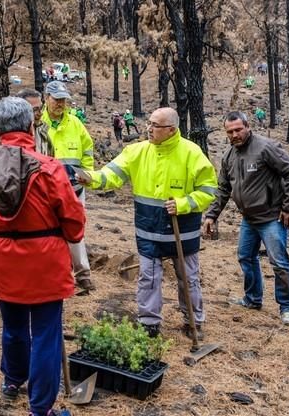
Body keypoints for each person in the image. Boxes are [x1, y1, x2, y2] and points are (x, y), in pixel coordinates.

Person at [0, 96, 85, 416]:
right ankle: (41, 411)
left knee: (13, 324)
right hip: (44, 258)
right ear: (30, 125)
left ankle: (12, 380)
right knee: (47, 334)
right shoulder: (50, 168)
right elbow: (74, 219)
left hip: (2, 255)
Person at [77, 107, 217, 339]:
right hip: (149, 229)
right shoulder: (137, 151)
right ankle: (149, 322)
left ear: (171, 130)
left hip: (183, 231)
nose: (149, 129)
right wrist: (89, 178)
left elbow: (208, 189)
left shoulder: (192, 153)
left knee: (188, 277)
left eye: (155, 126)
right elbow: (110, 174)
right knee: (148, 276)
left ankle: (194, 320)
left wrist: (184, 203)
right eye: (149, 124)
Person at [203, 111, 289, 326]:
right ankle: (252, 299)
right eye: (230, 131)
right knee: (246, 257)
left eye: (238, 129)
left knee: (279, 263)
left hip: (272, 218)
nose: (235, 134)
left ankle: (287, 307)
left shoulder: (266, 148)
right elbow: (223, 189)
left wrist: (288, 208)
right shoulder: (229, 156)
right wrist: (211, 215)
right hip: (248, 218)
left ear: (247, 127)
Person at [41, 80, 95, 291]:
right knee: (48, 233)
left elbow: (88, 151)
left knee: (76, 230)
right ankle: (53, 275)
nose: (61, 104)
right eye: (57, 99)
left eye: (64, 100)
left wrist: (87, 174)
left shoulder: (75, 124)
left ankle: (83, 274)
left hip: (74, 190)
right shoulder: (38, 123)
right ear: (46, 98)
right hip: (46, 191)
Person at [0, 88, 54, 157]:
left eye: (41, 108)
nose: (40, 113)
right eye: (34, 110)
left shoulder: (41, 130)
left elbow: (50, 158)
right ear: (20, 109)